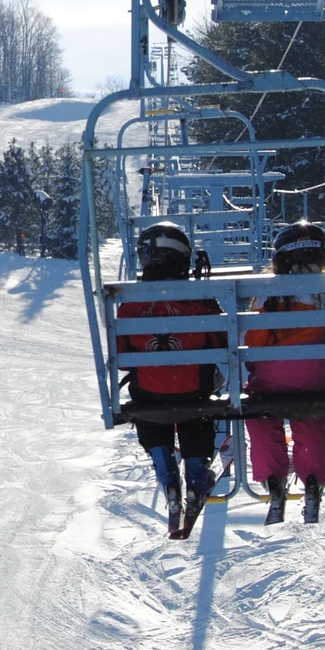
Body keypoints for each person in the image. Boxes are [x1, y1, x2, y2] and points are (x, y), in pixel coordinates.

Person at [117, 223, 222, 526]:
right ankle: (197, 475)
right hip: (193, 394)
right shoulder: (200, 300)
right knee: (195, 412)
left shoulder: (132, 302)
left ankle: (168, 478)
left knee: (151, 407)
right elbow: (220, 344)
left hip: (150, 395)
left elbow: (122, 357)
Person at [245, 221, 325, 525]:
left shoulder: (268, 294)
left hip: (272, 379)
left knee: (260, 413)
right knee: (309, 414)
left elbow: (254, 343)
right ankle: (312, 479)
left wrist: (256, 367)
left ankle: (273, 481)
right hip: (316, 377)